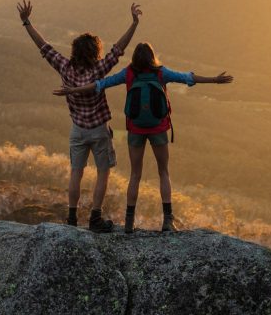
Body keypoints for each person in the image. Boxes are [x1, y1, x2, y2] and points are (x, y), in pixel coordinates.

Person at [54, 42, 233, 233]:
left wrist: (73, 90)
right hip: (158, 129)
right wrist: (214, 80)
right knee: (163, 172)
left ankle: (129, 223)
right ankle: (167, 221)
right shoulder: (161, 73)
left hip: (136, 130)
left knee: (135, 175)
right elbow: (187, 78)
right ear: (151, 57)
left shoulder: (128, 73)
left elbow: (100, 84)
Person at [18, 0, 142, 232]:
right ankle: (95, 218)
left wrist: (27, 22)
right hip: (99, 129)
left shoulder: (65, 68)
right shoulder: (98, 69)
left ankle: (72, 218)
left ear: (75, 51)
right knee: (103, 172)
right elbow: (119, 49)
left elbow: (43, 47)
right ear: (95, 52)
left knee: (76, 172)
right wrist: (134, 23)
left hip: (77, 129)